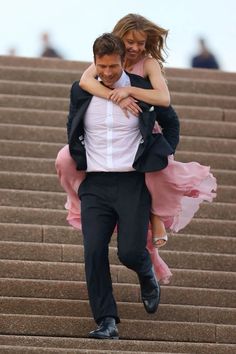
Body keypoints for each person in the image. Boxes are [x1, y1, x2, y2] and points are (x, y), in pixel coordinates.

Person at [56, 14, 217, 285]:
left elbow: (163, 98)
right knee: (64, 158)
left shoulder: (149, 64)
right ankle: (78, 201)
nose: (136, 47)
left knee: (152, 173)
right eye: (130, 41)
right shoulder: (106, 60)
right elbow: (85, 82)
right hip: (108, 147)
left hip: (145, 135)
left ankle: (155, 221)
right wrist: (112, 95)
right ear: (120, 38)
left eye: (141, 42)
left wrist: (130, 92)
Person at [66, 33, 180, 339]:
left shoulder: (142, 89)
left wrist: (161, 153)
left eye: (113, 66)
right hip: (96, 185)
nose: (107, 73)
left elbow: (171, 121)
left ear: (123, 61)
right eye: (101, 66)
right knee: (93, 253)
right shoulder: (82, 91)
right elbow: (72, 125)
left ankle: (146, 275)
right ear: (94, 62)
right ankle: (106, 320)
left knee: (130, 252)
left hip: (131, 183)